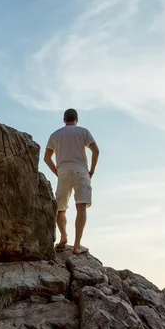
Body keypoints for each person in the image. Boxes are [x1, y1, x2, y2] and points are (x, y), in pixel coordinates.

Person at [44, 108, 99, 254]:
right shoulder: (83, 131)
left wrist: (57, 172)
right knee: (81, 207)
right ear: (77, 119)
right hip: (81, 170)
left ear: (64, 120)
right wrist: (91, 170)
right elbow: (96, 150)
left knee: (60, 207)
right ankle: (77, 245)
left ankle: (63, 237)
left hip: (63, 172)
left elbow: (46, 158)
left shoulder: (55, 135)